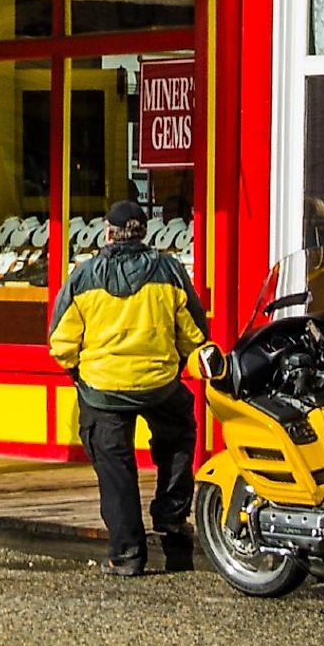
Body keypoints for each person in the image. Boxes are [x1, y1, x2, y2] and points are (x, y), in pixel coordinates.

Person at [49, 198, 209, 577]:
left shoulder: (84, 276)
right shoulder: (169, 272)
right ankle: (171, 517)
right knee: (179, 435)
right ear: (144, 233)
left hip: (101, 388)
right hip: (159, 384)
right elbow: (195, 335)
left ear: (107, 233)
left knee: (115, 467)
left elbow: (61, 344)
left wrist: (79, 373)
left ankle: (127, 556)